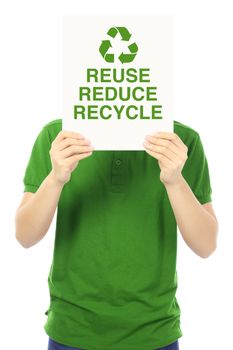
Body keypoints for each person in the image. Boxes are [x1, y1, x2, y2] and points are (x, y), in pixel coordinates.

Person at [15, 118, 218, 350]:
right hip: (71, 329)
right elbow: (25, 235)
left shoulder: (181, 141)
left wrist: (175, 181)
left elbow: (206, 245)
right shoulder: (57, 137)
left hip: (155, 332)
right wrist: (56, 178)